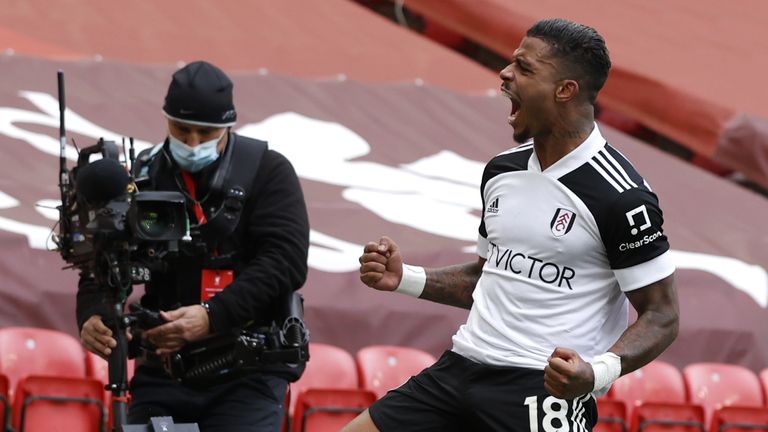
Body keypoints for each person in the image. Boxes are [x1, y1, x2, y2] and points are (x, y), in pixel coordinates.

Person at [346, 18, 679, 432]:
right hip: (459, 368)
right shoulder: (501, 171)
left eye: (524, 68)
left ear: (565, 90)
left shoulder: (622, 196)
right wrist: (405, 278)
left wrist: (598, 373)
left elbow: (663, 315)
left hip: (539, 390)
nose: (505, 74)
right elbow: (488, 277)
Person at [76, 61, 310, 431]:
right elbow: (104, 257)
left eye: (207, 132)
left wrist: (211, 316)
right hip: (161, 371)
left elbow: (286, 261)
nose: (193, 142)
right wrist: (91, 314)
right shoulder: (142, 175)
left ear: (229, 126)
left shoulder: (268, 170)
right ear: (165, 119)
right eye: (181, 130)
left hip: (246, 372)